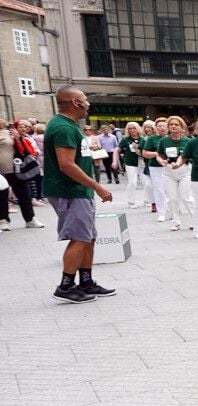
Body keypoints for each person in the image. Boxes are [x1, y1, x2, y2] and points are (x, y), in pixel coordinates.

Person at [44, 86, 115, 303]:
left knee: (87, 237)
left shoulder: (70, 126)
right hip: (70, 191)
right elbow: (66, 165)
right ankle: (66, 286)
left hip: (78, 191)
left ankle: (86, 281)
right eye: (85, 99)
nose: (88, 103)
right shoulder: (63, 128)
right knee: (79, 237)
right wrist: (97, 186)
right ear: (75, 102)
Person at [0, 119, 41, 229]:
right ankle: (3, 220)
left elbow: (24, 150)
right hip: (1, 172)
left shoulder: (10, 132)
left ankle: (30, 219)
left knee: (24, 194)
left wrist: (18, 138)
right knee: (2, 196)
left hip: (16, 169)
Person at [158, 116, 192, 232]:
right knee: (172, 198)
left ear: (182, 127)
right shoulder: (163, 141)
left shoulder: (187, 141)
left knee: (186, 197)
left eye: (176, 125)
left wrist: (179, 163)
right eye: (171, 124)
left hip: (184, 171)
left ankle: (194, 220)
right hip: (168, 172)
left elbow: (187, 156)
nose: (173, 126)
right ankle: (176, 222)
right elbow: (159, 155)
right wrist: (161, 161)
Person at [115, 122, 144, 208]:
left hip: (141, 163)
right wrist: (115, 161)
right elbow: (117, 150)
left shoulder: (142, 140)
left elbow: (144, 153)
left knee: (146, 182)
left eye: (134, 128)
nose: (132, 130)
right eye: (130, 128)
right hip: (130, 163)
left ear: (137, 129)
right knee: (132, 182)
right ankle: (131, 202)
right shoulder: (125, 139)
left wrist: (137, 149)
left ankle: (147, 200)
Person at [141, 120, 164, 215]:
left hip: (167, 166)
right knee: (150, 186)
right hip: (150, 165)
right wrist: (156, 154)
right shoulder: (147, 139)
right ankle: (154, 203)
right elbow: (143, 152)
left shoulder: (169, 138)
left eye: (149, 127)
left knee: (165, 188)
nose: (147, 129)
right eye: (146, 127)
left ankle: (169, 207)